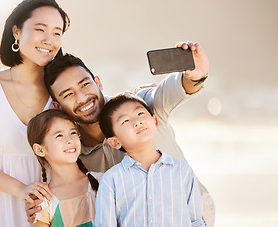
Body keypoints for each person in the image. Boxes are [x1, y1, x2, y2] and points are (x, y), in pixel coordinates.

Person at [27, 43, 215, 226]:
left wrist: (195, 76)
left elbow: (170, 91)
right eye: (68, 94)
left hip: (189, 213)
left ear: (98, 82)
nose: (82, 98)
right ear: (57, 106)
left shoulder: (137, 106)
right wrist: (41, 204)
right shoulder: (72, 150)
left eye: (85, 84)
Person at [0, 0, 70, 226]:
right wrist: (21, 189)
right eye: (40, 29)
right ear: (16, 32)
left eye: (57, 32)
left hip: (46, 207)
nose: (49, 40)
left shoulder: (60, 92)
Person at [95, 94, 207, 226]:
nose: (137, 122)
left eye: (140, 113)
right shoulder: (112, 180)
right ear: (114, 142)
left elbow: (196, 221)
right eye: (125, 121)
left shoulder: (182, 170)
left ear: (155, 121)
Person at [27, 109, 101, 227]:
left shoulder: (102, 181)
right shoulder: (44, 201)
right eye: (59, 135)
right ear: (40, 150)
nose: (70, 140)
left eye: (73, 133)